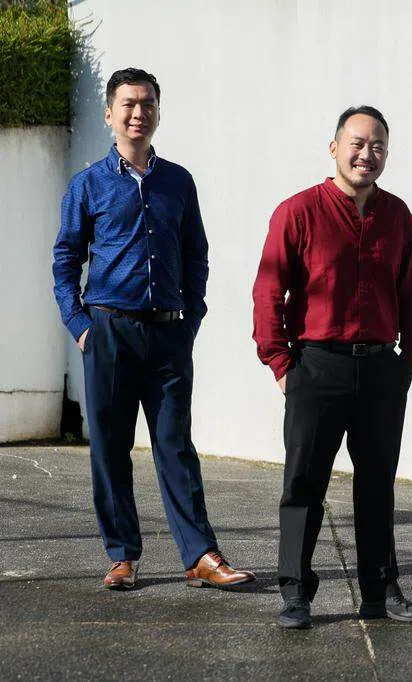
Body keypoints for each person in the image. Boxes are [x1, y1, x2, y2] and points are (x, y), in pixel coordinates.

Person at [52, 68, 254, 591]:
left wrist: (191, 319)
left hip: (168, 335)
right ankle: (122, 555)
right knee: (110, 449)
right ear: (109, 114)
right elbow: (66, 259)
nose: (138, 113)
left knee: (175, 446)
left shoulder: (178, 182)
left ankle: (200, 555)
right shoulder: (88, 184)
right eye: (128, 104)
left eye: (147, 104)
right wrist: (80, 325)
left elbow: (196, 255)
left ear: (158, 113)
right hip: (108, 332)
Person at [253, 106, 412, 629]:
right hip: (316, 367)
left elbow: (411, 290)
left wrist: (409, 360)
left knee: (377, 484)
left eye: (377, 146)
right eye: (356, 143)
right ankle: (294, 592)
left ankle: (380, 590)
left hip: (380, 370)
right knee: (302, 484)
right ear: (334, 148)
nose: (366, 154)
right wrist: (280, 363)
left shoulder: (397, 215)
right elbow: (268, 290)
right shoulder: (298, 211)